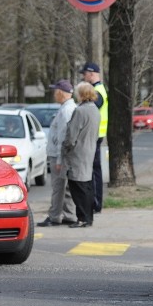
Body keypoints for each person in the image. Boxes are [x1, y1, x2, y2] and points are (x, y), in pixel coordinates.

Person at [59, 81, 101, 228]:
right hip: (89, 150)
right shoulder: (95, 109)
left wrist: (65, 148)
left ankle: (82, 218)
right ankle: (88, 218)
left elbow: (71, 135)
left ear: (81, 94)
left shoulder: (80, 111)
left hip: (77, 154)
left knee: (77, 188)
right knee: (87, 186)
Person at [37, 79, 77, 227]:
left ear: (61, 93)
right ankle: (69, 214)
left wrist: (60, 159)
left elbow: (62, 136)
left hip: (58, 155)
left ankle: (54, 216)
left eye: (55, 91)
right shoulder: (66, 108)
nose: (54, 94)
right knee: (64, 187)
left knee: (58, 187)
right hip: (60, 154)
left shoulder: (66, 110)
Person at [80, 62, 108, 213]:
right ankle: (95, 202)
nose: (84, 77)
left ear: (91, 74)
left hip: (95, 136)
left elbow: (90, 110)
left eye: (85, 74)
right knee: (94, 170)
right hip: (96, 135)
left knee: (94, 171)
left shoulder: (97, 92)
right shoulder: (99, 89)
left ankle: (96, 203)